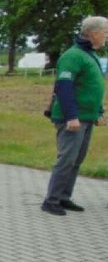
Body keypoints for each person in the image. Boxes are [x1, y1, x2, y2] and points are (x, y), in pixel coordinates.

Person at [41, 15, 108, 215]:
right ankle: (51, 200)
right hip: (72, 119)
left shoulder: (90, 55)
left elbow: (92, 87)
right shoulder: (73, 56)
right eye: (105, 32)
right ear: (94, 34)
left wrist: (99, 111)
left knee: (77, 159)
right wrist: (71, 116)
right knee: (67, 159)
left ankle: (64, 197)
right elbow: (64, 86)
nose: (106, 36)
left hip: (86, 117)